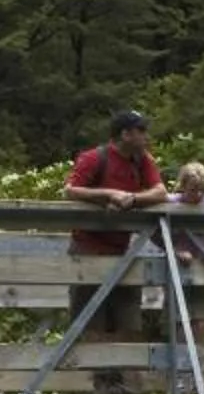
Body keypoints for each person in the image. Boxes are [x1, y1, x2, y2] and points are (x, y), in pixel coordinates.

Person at [62, 110, 167, 379]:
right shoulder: (94, 158)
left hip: (124, 251)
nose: (146, 137)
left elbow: (160, 192)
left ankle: (128, 388)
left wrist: (131, 199)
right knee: (90, 319)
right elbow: (71, 190)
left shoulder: (141, 160)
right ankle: (94, 386)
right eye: (141, 131)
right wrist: (108, 194)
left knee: (129, 318)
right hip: (88, 248)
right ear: (125, 134)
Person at [168, 160, 204, 347]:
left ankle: (198, 359)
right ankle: (182, 363)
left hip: (202, 265)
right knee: (179, 317)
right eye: (193, 190)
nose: (198, 194)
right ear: (183, 187)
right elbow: (157, 234)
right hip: (178, 267)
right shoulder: (171, 203)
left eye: (202, 189)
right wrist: (176, 250)